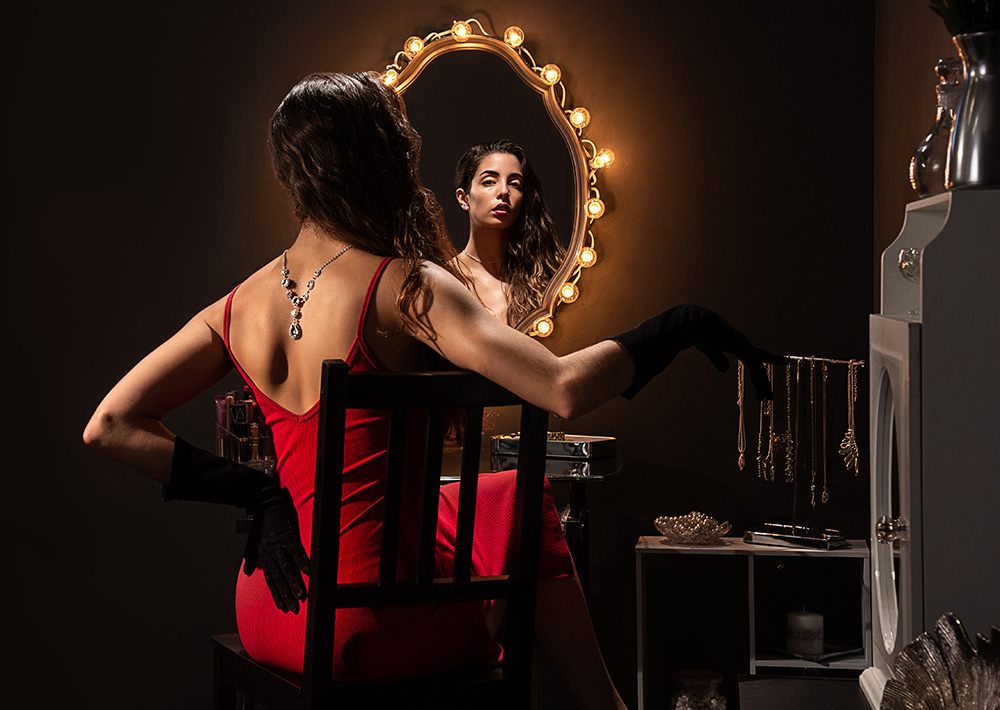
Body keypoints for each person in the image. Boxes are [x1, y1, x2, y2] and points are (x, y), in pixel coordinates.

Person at [84, 71, 778, 710]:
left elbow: (111, 424)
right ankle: (605, 707)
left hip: (272, 607)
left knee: (503, 496)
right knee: (528, 500)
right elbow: (562, 389)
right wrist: (676, 326)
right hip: (371, 628)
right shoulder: (406, 284)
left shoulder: (239, 303)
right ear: (377, 160)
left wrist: (257, 494)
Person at [452, 139, 565, 327]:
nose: (504, 191)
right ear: (464, 198)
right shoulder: (447, 279)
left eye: (515, 184)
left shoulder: (546, 274)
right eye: (489, 182)